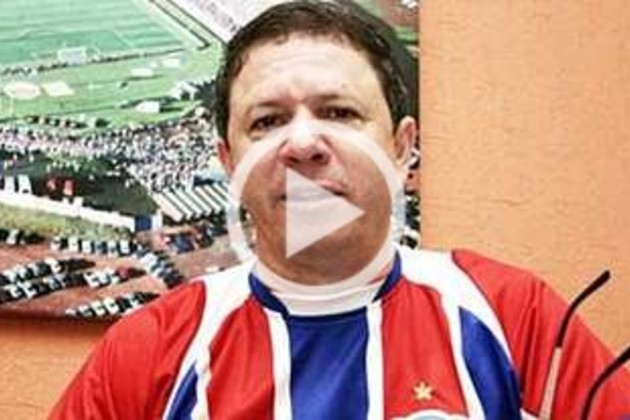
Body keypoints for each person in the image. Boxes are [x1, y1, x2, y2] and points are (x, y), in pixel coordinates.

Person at [51, 1, 630, 419]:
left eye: (340, 113)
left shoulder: (512, 315)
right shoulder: (149, 350)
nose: (303, 144)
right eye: (267, 121)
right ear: (230, 163)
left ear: (401, 149)